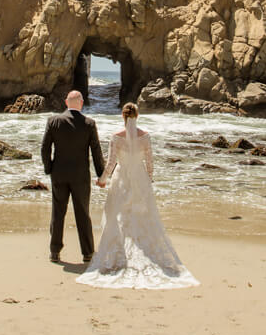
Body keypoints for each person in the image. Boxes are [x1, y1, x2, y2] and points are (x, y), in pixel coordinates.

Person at [77, 102, 199, 289]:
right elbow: (150, 163)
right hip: (140, 178)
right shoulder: (145, 137)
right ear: (137, 116)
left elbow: (110, 164)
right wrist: (148, 180)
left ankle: (118, 255)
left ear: (123, 117)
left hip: (121, 178)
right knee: (143, 216)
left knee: (118, 217)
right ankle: (145, 252)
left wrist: (102, 179)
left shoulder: (116, 137)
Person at [41, 90, 105, 263]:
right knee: (83, 213)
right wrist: (101, 175)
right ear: (81, 103)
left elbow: (45, 148)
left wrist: (49, 169)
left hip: (59, 174)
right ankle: (87, 252)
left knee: (57, 213)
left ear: (66, 102)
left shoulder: (53, 121)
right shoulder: (89, 124)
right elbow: (96, 151)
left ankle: (55, 252)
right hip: (80, 176)